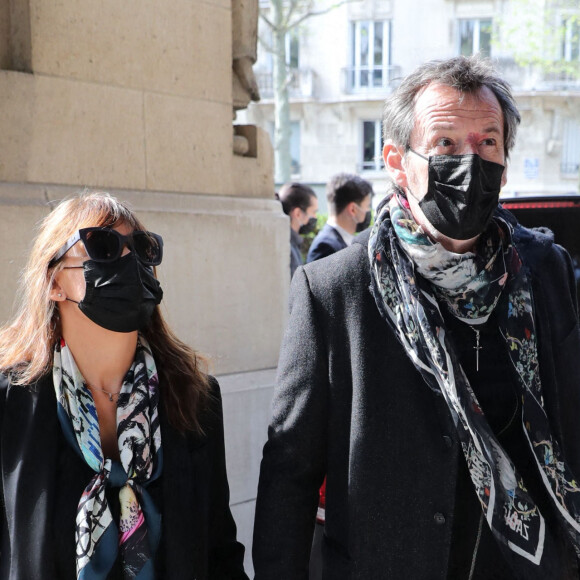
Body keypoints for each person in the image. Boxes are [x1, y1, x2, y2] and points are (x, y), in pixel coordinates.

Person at [253, 55, 580, 579]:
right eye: (445, 143)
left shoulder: (546, 270)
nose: (469, 161)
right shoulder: (333, 288)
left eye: (487, 143)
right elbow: (290, 468)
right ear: (397, 160)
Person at [0, 191, 249, 580]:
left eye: (143, 249)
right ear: (54, 283)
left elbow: (219, 551)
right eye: (103, 246)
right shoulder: (11, 402)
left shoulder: (194, 397)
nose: (129, 262)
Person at [306, 173, 373, 263]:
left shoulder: (344, 240)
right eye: (367, 206)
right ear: (353, 209)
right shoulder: (325, 247)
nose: (368, 211)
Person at [276, 183, 319, 279]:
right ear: (298, 213)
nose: (315, 217)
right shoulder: (288, 247)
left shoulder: (288, 241)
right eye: (313, 212)